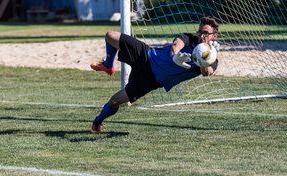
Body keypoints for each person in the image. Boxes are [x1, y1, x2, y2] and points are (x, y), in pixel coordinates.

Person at [89, 16, 220, 134]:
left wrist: (202, 62)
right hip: (146, 55)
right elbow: (177, 43)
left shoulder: (213, 61)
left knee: (114, 101)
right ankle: (108, 64)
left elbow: (207, 73)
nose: (202, 36)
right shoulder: (189, 38)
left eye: (206, 33)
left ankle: (97, 121)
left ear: (214, 36)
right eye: (200, 32)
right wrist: (175, 56)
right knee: (110, 35)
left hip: (150, 80)